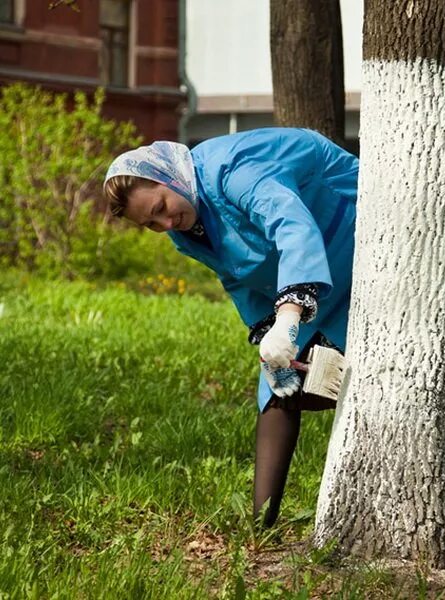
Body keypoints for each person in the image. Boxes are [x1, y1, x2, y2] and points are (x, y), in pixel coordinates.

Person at [103, 127, 358, 528]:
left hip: (353, 232)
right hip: (312, 274)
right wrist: (268, 330)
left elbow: (291, 222)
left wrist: (290, 317)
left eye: (161, 206)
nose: (166, 222)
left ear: (168, 178)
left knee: (365, 377)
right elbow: (238, 276)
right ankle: (261, 526)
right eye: (152, 223)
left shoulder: (230, 169)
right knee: (277, 385)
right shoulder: (186, 230)